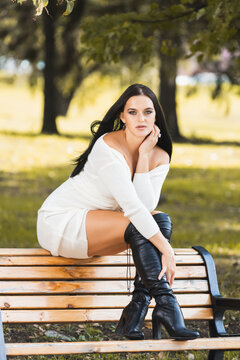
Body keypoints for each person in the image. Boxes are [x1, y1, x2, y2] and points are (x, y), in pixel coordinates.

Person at [37, 83, 199, 341]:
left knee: (160, 220)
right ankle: (167, 306)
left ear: (156, 115)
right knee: (146, 226)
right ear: (122, 116)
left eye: (148, 112)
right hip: (62, 221)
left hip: (102, 227)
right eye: (132, 112)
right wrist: (167, 250)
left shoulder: (159, 155)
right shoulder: (107, 146)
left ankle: (137, 310)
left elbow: (144, 208)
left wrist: (144, 156)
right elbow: (134, 211)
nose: (141, 119)